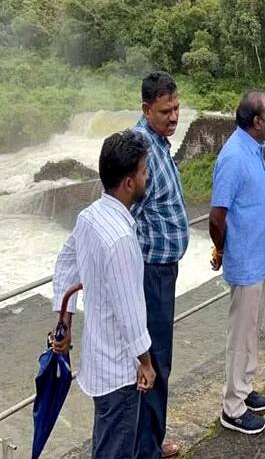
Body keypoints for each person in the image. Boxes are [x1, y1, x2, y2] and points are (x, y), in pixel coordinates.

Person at [52, 130, 156, 459]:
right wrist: (146, 363)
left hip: (97, 360)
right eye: (143, 171)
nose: (147, 176)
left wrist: (65, 325)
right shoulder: (120, 239)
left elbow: (66, 267)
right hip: (119, 371)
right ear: (128, 182)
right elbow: (131, 312)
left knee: (105, 443)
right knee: (115, 449)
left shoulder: (89, 217)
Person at [209, 90, 265, 435]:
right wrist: (222, 250)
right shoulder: (234, 157)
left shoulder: (254, 150)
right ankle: (232, 408)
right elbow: (216, 216)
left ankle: (245, 388)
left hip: (261, 256)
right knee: (240, 334)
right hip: (245, 259)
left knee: (252, 329)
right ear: (256, 122)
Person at [131, 71, 189, 459]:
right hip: (150, 273)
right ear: (146, 109)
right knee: (153, 362)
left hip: (162, 272)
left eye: (177, 108)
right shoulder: (139, 151)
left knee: (158, 360)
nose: (174, 117)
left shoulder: (159, 143)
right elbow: (126, 214)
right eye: (166, 111)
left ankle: (149, 441)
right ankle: (146, 449)